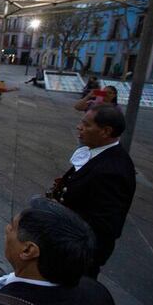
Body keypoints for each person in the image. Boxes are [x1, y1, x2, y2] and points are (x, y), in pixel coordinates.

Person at [49, 104, 135, 277]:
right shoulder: (98, 154)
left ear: (105, 131)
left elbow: (104, 226)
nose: (79, 127)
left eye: (87, 125)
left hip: (76, 254)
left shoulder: (112, 171)